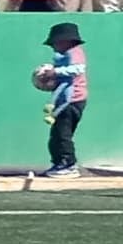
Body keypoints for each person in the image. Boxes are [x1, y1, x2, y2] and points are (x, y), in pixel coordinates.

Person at [35, 20, 90, 174]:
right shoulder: (64, 55)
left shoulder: (75, 53)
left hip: (73, 101)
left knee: (63, 134)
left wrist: (55, 73)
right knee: (56, 135)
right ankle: (58, 163)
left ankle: (68, 164)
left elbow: (78, 69)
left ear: (66, 41)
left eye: (55, 43)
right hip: (65, 101)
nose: (53, 47)